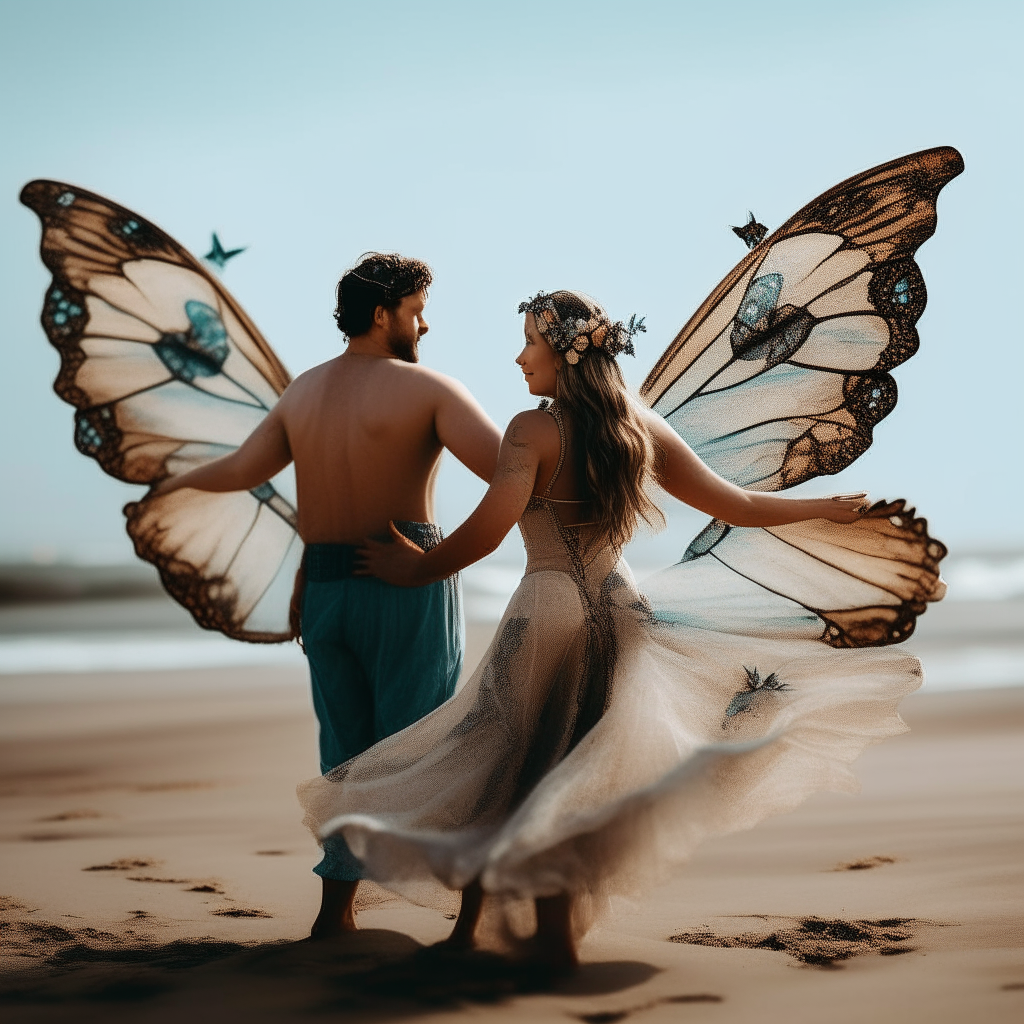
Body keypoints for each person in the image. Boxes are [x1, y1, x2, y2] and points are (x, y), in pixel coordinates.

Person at [298, 290, 924, 970]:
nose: (518, 356)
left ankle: (487, 930)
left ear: (561, 355)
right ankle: (533, 931)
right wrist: (821, 507)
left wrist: (417, 568)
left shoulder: (530, 431)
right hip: (621, 608)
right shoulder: (638, 426)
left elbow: (487, 528)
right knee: (581, 768)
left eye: (528, 345)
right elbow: (734, 505)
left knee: (505, 760)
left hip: (550, 608)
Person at [153, 253, 503, 939]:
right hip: (404, 578)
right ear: (383, 313)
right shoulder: (430, 390)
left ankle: (334, 916)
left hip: (326, 587)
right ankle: (469, 919)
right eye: (417, 309)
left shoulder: (301, 393)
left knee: (342, 756)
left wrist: (170, 481)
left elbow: (240, 469)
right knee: (430, 747)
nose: (424, 325)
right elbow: (510, 472)